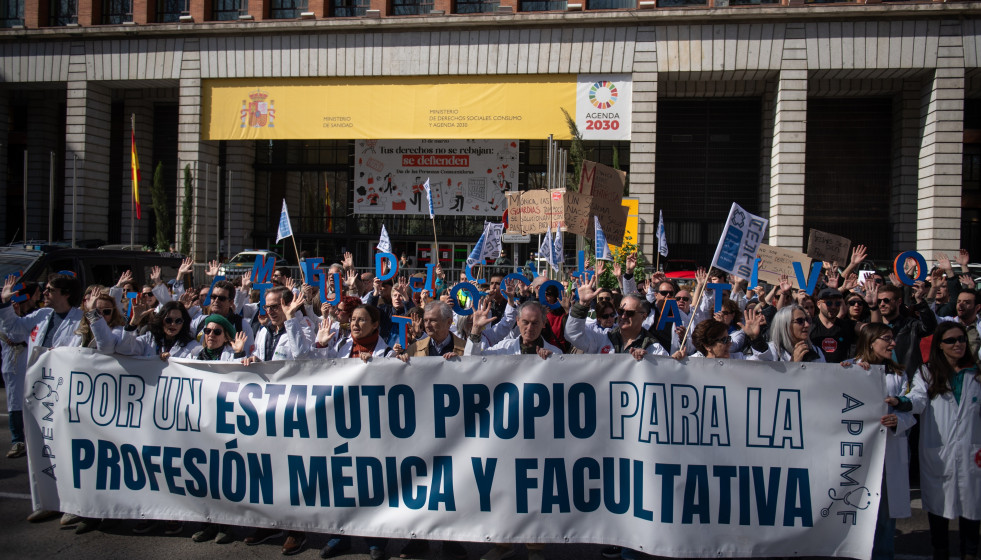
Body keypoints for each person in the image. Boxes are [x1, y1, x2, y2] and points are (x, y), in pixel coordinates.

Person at [843, 323, 916, 560]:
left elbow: (913, 408)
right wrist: (848, 374)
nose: (893, 343)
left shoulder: (898, 375)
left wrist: (899, 420)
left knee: (884, 515)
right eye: (887, 338)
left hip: (887, 455)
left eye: (893, 338)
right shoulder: (849, 368)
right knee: (853, 512)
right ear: (870, 341)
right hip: (856, 456)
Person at [909, 322, 981, 560]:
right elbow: (917, 399)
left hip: (972, 450)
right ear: (940, 345)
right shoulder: (926, 372)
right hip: (939, 452)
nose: (958, 344)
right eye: (950, 340)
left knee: (973, 505)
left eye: (961, 339)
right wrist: (903, 403)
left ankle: (970, 553)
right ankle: (940, 551)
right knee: (938, 507)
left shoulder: (976, 374)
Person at [0, 281, 38, 458]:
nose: (41, 295)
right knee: (15, 401)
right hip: (15, 363)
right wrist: (14, 315)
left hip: (33, 364)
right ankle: (18, 440)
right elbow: (14, 336)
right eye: (38, 292)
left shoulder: (36, 313)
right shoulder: (10, 314)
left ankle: (34, 438)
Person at [114, 301, 202, 359]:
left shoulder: (191, 346)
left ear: (184, 323)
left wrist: (172, 361)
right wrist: (132, 324)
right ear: (161, 320)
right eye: (168, 320)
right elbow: (124, 349)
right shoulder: (148, 340)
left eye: (178, 321)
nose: (173, 324)